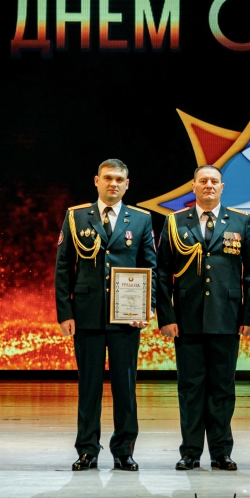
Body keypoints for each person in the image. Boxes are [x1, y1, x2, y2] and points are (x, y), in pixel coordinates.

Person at [154, 165, 250, 471]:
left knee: (222, 388)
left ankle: (221, 452)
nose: (209, 185)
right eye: (203, 181)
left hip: (227, 318)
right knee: (190, 388)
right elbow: (162, 272)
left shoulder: (240, 221)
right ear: (193, 186)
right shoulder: (175, 221)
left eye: (214, 181)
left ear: (222, 187)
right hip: (186, 319)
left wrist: (249, 315)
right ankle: (190, 452)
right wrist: (166, 316)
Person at [54, 159, 156, 472]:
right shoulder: (76, 216)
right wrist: (65, 312)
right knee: (89, 386)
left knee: (125, 387)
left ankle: (124, 451)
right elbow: (63, 267)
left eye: (119, 179)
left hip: (127, 317)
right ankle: (87, 450)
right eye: (108, 178)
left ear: (127, 184)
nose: (114, 183)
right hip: (87, 315)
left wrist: (148, 307)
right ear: (96, 181)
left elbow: (149, 267)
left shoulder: (140, 219)